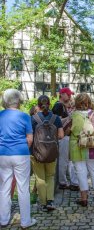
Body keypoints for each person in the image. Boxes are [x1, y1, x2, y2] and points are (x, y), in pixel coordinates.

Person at [0, 89, 37, 229]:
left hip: (3, 154)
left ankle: (3, 220)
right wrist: (22, 148)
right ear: (19, 101)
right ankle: (25, 221)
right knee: (23, 187)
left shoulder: (0, 115)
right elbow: (29, 139)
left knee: (4, 187)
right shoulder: (24, 116)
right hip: (21, 153)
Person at [69, 93, 94, 207]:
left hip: (77, 147)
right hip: (92, 146)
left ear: (77, 103)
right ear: (89, 102)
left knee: (80, 172)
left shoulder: (74, 115)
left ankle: (84, 198)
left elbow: (71, 130)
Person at [31, 95, 64, 211]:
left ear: (38, 105)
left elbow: (30, 137)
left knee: (40, 178)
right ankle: (50, 201)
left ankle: (43, 203)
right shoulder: (56, 118)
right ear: (49, 104)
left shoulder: (33, 118)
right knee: (50, 176)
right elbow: (61, 135)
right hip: (52, 153)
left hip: (36, 153)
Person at [52, 87, 79, 191]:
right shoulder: (58, 106)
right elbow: (56, 122)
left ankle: (63, 181)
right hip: (62, 137)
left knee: (65, 160)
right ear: (62, 94)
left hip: (64, 137)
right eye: (68, 94)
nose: (70, 96)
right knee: (63, 160)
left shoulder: (61, 106)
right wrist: (69, 118)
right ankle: (62, 182)